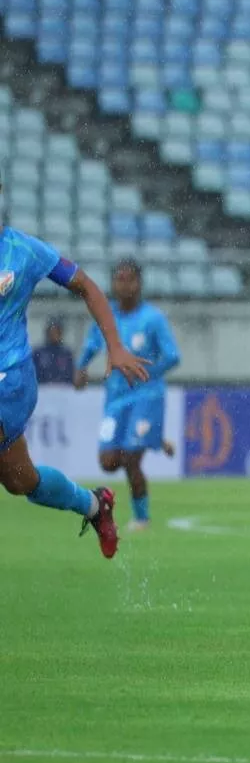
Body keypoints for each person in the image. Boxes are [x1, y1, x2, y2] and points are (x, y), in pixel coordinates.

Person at [0, 219, 149, 558]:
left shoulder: (25, 251)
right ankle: (95, 505)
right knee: (21, 480)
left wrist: (114, 345)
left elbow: (86, 286)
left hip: (11, 379)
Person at [74, 259, 181, 530]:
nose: (124, 285)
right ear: (112, 283)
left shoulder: (152, 319)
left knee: (132, 458)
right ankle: (153, 439)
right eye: (119, 279)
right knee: (108, 462)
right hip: (116, 398)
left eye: (129, 279)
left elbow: (172, 356)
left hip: (146, 396)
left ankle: (141, 518)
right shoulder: (106, 315)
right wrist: (81, 366)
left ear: (139, 283)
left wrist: (148, 373)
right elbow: (91, 344)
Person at [32, 317, 74, 385]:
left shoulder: (66, 353)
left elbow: (70, 373)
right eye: (52, 332)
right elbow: (34, 372)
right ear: (47, 333)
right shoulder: (39, 352)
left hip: (63, 389)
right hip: (43, 388)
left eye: (57, 332)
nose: (54, 335)